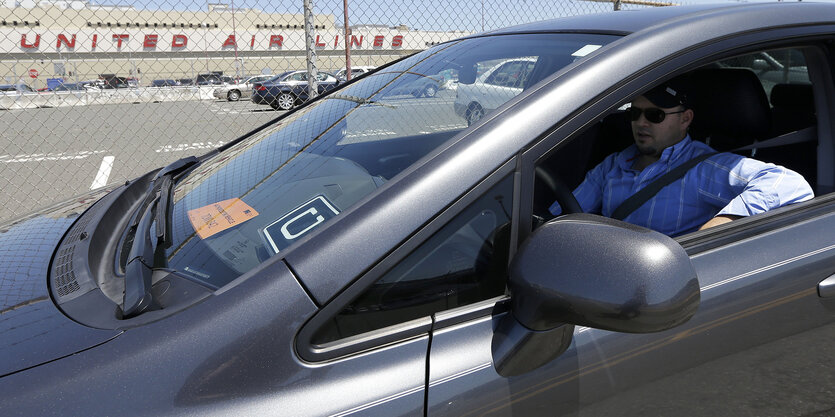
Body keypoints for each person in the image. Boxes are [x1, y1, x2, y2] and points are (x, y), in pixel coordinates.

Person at [549, 80, 814, 237]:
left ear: (685, 119)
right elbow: (564, 214)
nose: (641, 123)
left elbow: (788, 182)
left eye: (655, 115)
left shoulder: (701, 167)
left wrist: (714, 231)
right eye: (635, 113)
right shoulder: (615, 163)